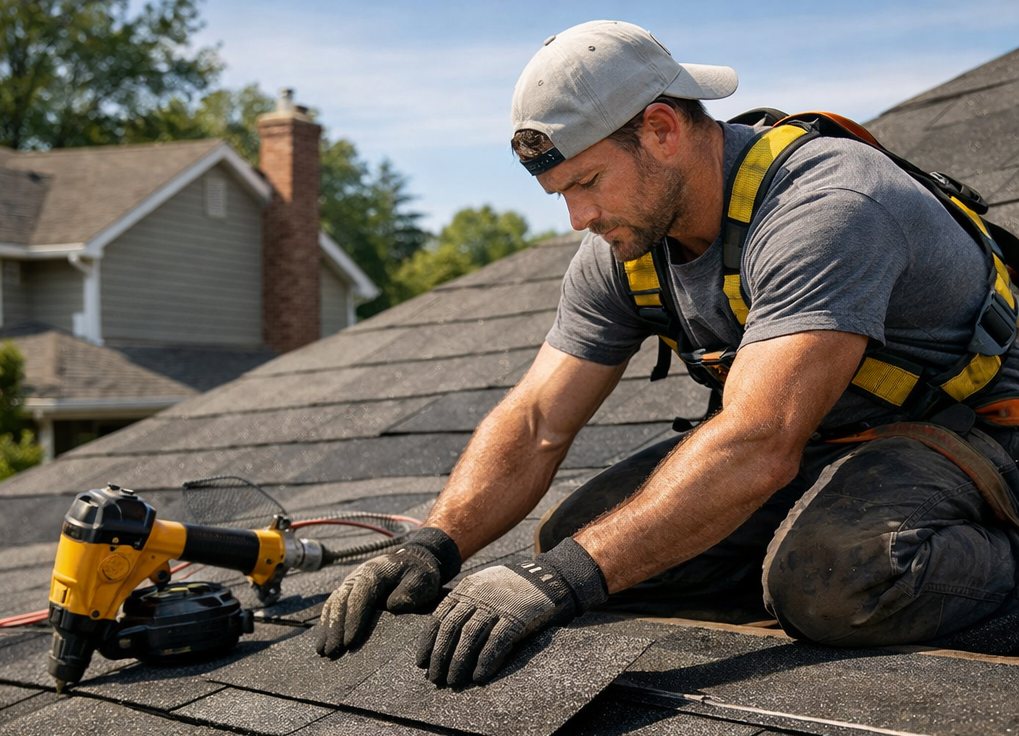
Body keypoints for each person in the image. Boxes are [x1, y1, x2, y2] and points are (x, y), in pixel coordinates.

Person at [316, 19, 1019, 686]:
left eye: (588, 183)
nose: (579, 219)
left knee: (828, 583)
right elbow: (536, 421)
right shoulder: (630, 247)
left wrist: (565, 581)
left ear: (660, 130)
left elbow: (758, 440)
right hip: (833, 441)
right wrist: (435, 544)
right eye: (561, 195)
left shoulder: (827, 205)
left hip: (976, 433)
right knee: (576, 535)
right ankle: (813, 552)